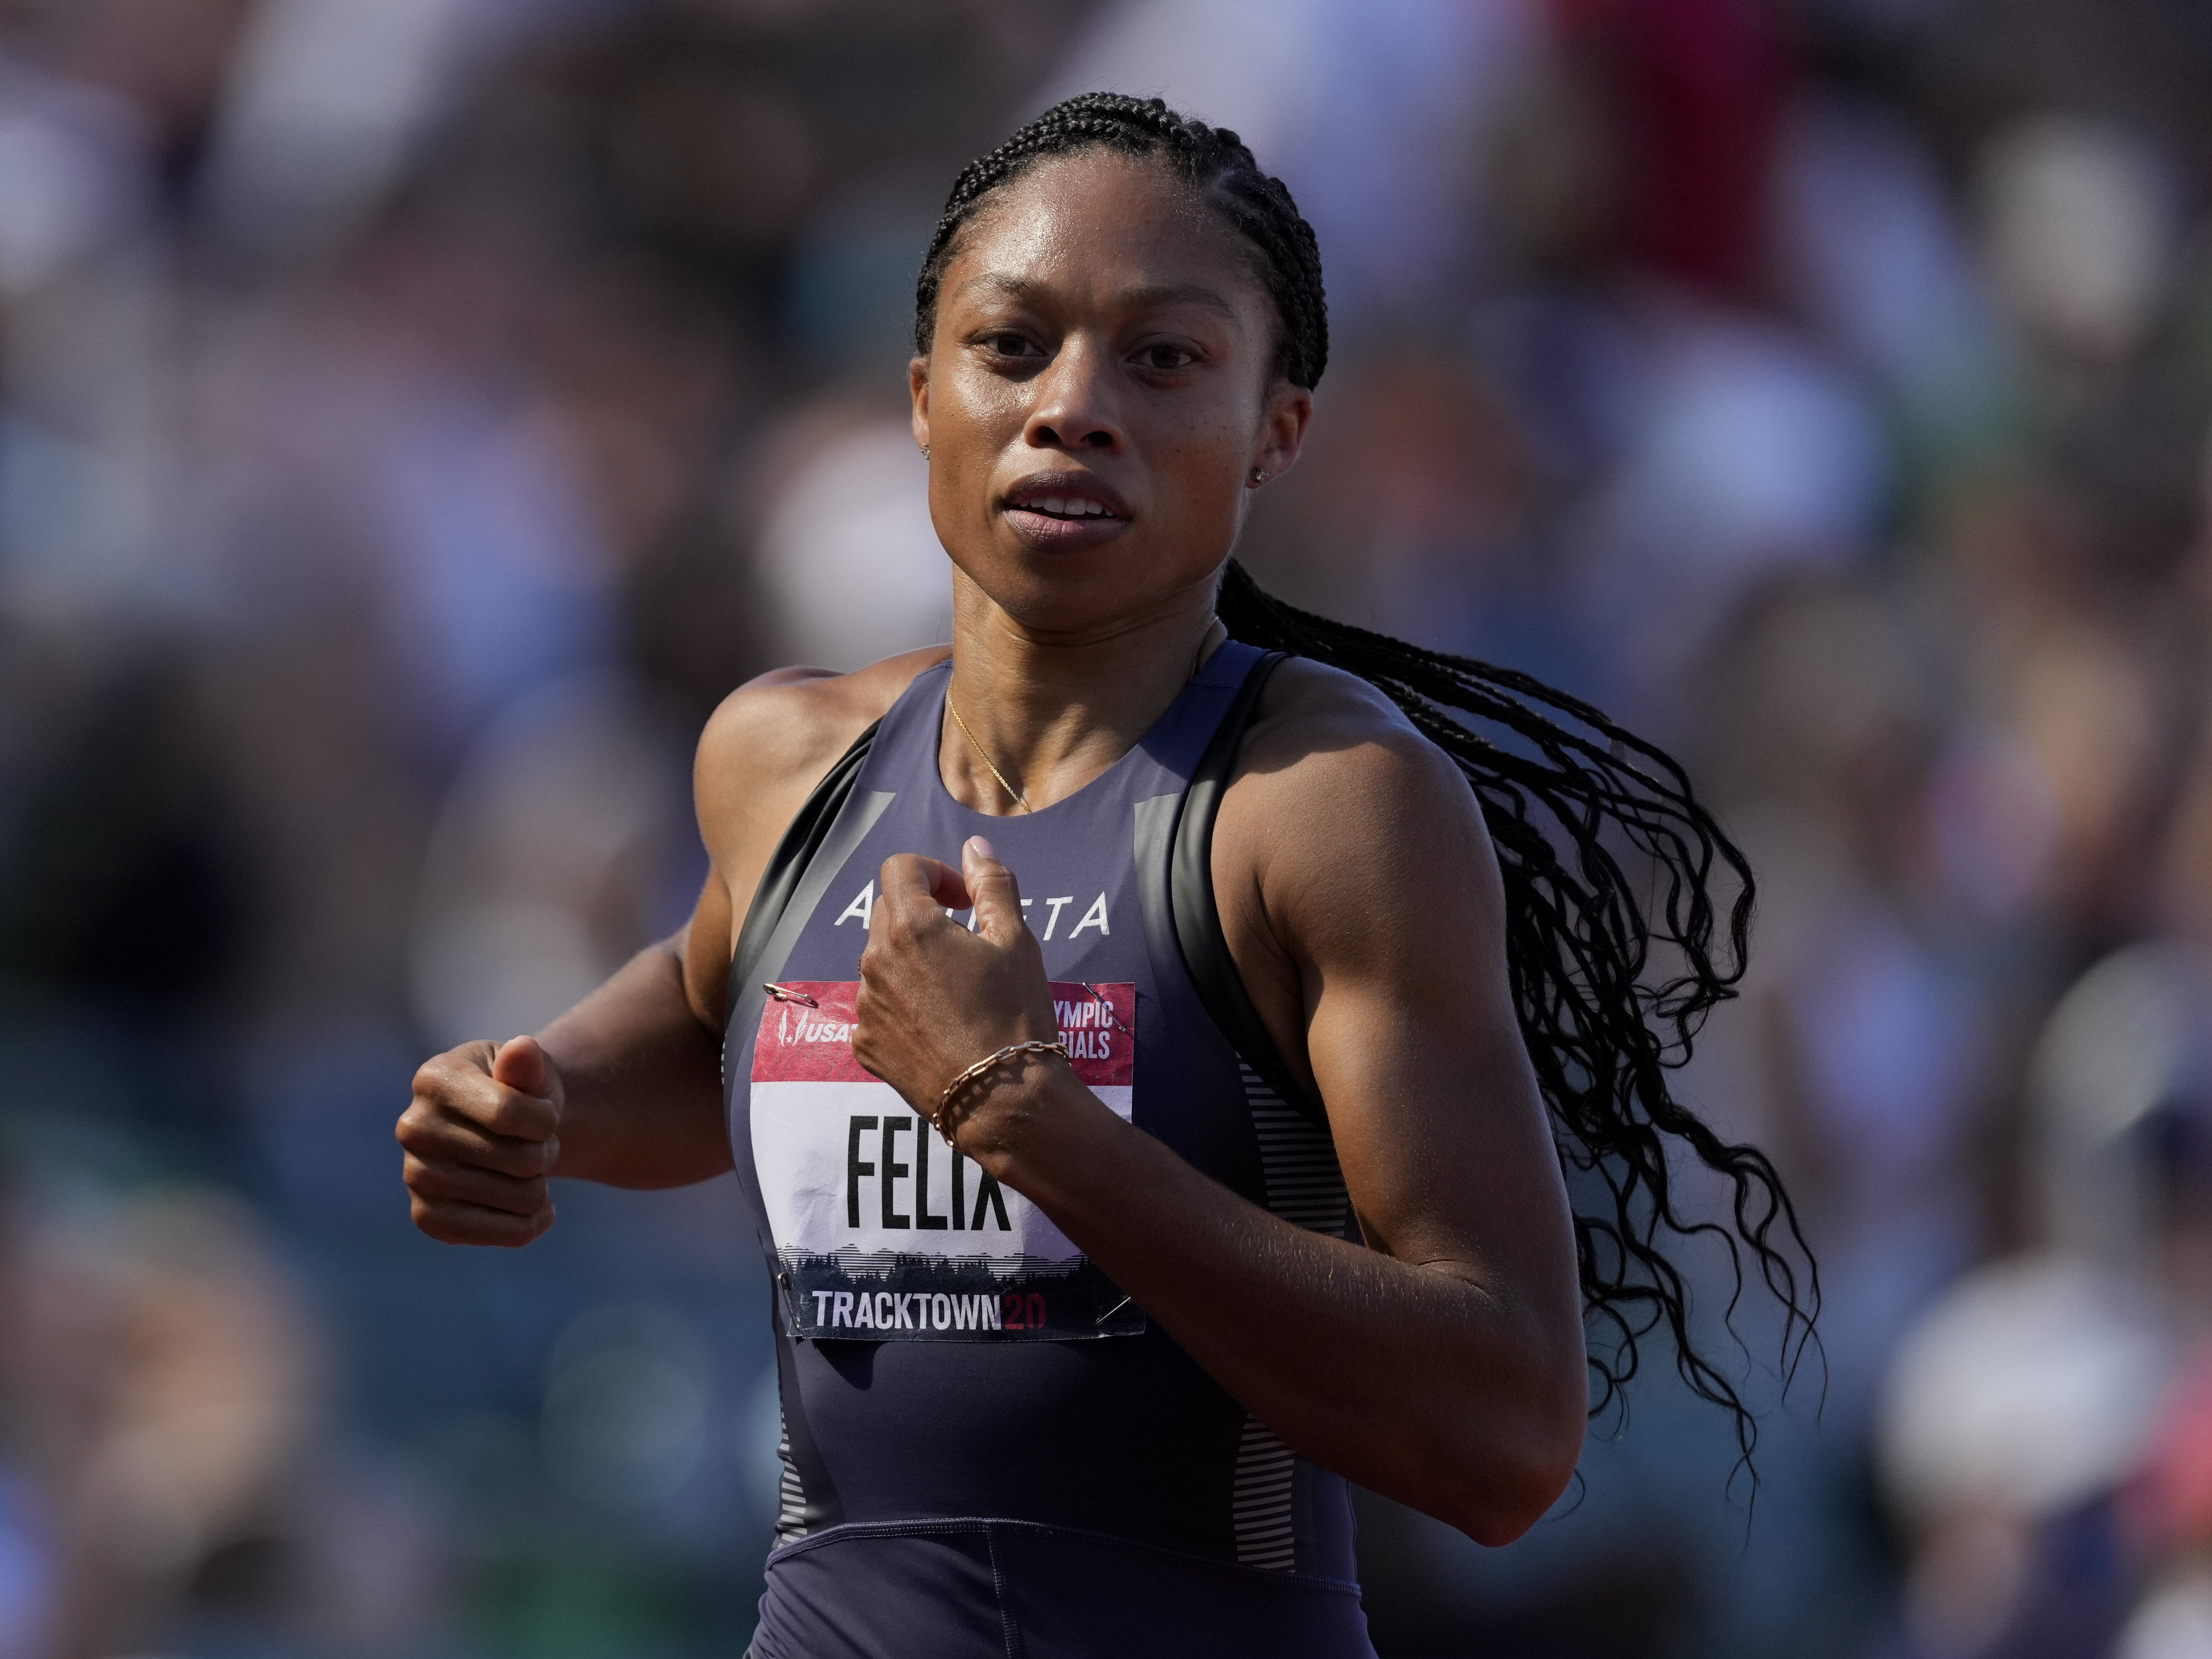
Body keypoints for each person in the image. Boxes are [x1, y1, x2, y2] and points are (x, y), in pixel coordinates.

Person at [396, 94, 1811, 1657]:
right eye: (1012, 346)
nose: (1073, 406)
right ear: (921, 395)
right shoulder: (781, 760)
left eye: (1165, 357)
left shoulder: (1321, 807)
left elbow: (1504, 1431)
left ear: (1281, 423)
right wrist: (541, 1095)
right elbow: (714, 1008)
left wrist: (1027, 1116)